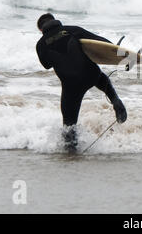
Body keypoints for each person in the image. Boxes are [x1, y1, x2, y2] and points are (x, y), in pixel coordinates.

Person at [36, 13, 127, 152]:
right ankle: (115, 100)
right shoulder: (72, 30)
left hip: (70, 86)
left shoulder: (40, 45)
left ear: (41, 30)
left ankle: (71, 150)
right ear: (55, 21)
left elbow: (46, 64)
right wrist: (116, 51)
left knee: (69, 124)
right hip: (91, 75)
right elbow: (98, 42)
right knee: (100, 77)